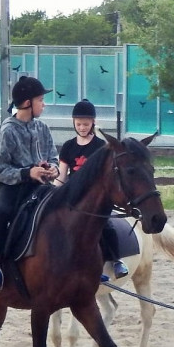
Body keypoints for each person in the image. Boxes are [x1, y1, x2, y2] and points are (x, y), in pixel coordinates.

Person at [0, 76, 59, 292]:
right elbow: (2, 170)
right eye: (41, 100)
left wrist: (53, 168)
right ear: (27, 103)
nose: (44, 104)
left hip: (41, 187)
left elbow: (53, 156)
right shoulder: (8, 131)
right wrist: (28, 173)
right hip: (14, 188)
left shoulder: (43, 128)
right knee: (1, 215)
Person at [56, 99, 128, 280]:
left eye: (86, 124)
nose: (82, 127)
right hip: (73, 194)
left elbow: (104, 175)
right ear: (73, 123)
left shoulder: (100, 147)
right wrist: (54, 192)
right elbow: (62, 175)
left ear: (93, 123)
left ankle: (115, 260)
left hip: (94, 194)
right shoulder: (68, 146)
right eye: (78, 124)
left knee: (107, 226)